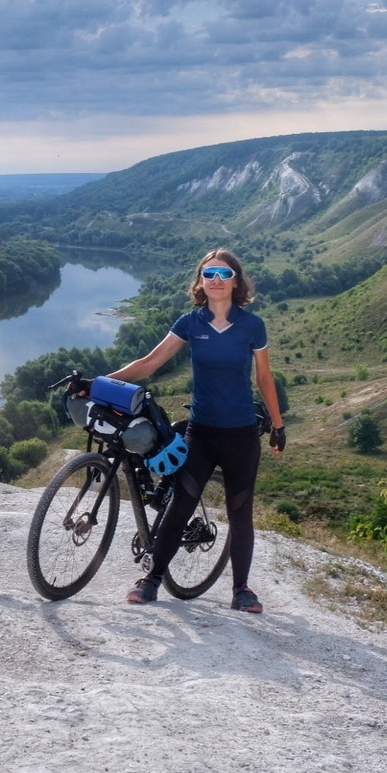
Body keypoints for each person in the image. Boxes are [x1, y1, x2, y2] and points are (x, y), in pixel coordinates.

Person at [107, 248, 285, 614]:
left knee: (240, 513)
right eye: (209, 274)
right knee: (180, 505)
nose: (216, 280)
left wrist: (278, 425)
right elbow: (149, 363)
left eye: (223, 274)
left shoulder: (252, 325)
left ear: (236, 281)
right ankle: (152, 578)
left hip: (241, 434)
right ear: (200, 283)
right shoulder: (190, 322)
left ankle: (242, 590)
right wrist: (103, 382)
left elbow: (264, 377)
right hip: (201, 432)